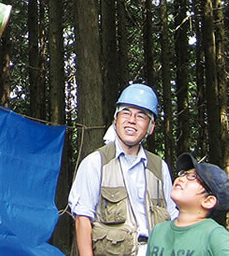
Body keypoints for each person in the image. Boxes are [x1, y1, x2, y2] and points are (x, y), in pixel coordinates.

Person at [68, 84, 178, 256]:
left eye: (141, 116)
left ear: (151, 127)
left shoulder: (159, 167)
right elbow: (83, 219)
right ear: (115, 120)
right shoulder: (95, 163)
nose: (132, 120)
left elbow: (174, 218)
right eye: (126, 113)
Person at [145, 153, 229, 255]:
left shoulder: (216, 236)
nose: (181, 178)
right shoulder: (158, 231)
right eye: (184, 173)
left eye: (193, 176)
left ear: (208, 201)